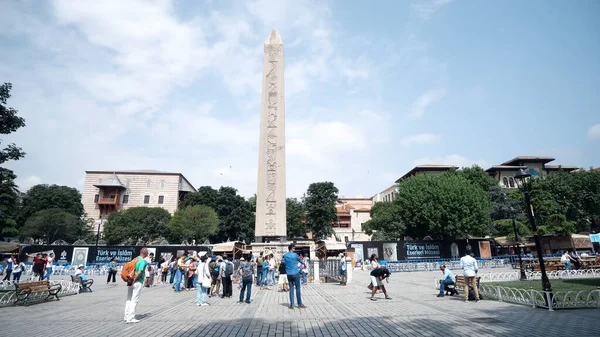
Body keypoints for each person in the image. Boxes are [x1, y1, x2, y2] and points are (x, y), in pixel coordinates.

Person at [124, 247, 149, 323]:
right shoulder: (142, 261)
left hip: (130, 280)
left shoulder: (135, 259)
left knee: (129, 299)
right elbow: (140, 272)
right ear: (145, 254)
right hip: (137, 281)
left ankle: (126, 316)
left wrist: (131, 281)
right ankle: (131, 318)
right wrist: (134, 280)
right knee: (134, 300)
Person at [284, 244, 306, 309]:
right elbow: (301, 261)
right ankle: (299, 304)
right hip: (295, 273)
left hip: (289, 274)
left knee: (291, 289)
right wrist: (301, 265)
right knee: (298, 289)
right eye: (294, 248)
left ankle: (292, 304)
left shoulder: (285, 256)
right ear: (292, 248)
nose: (295, 249)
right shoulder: (295, 255)